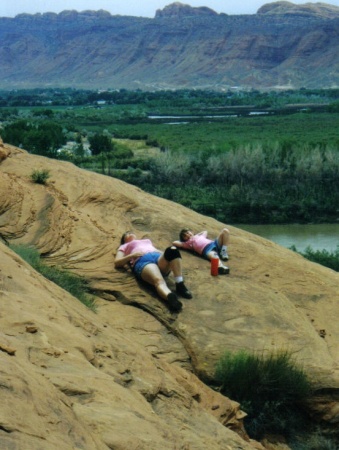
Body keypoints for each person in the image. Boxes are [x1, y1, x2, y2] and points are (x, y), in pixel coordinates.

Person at [115, 231, 192, 313]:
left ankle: (180, 284)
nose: (129, 233)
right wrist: (132, 255)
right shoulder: (123, 246)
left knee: (172, 250)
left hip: (158, 257)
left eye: (130, 232)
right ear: (124, 240)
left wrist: (166, 256)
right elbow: (117, 262)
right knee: (159, 281)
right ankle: (170, 298)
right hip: (142, 261)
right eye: (127, 234)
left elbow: (155, 249)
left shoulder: (146, 241)